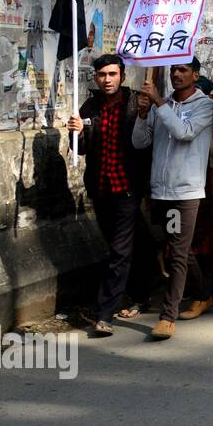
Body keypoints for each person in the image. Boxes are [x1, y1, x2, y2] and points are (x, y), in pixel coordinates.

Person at [67, 54, 153, 337]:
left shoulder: (136, 102)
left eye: (112, 74)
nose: (107, 79)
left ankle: (105, 313)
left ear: (122, 76)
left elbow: (147, 142)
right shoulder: (89, 105)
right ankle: (142, 291)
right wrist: (77, 132)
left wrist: (145, 113)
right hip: (101, 188)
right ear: (96, 78)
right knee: (132, 244)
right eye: (102, 75)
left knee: (119, 251)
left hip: (128, 188)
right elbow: (79, 150)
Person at [131, 59, 213, 340]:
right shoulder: (163, 104)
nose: (176, 75)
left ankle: (168, 316)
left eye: (182, 70)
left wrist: (158, 104)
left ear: (195, 74)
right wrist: (143, 115)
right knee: (176, 248)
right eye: (173, 70)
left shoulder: (204, 105)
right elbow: (140, 143)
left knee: (177, 252)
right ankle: (204, 293)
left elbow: (184, 133)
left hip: (185, 192)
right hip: (162, 190)